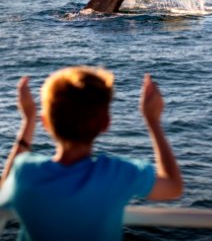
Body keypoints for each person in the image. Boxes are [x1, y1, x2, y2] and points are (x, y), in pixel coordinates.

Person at [0, 66, 183, 241]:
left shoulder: (25, 171)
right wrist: (153, 120)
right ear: (106, 123)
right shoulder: (117, 174)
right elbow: (173, 186)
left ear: (45, 123)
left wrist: (29, 119)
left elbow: (3, 190)